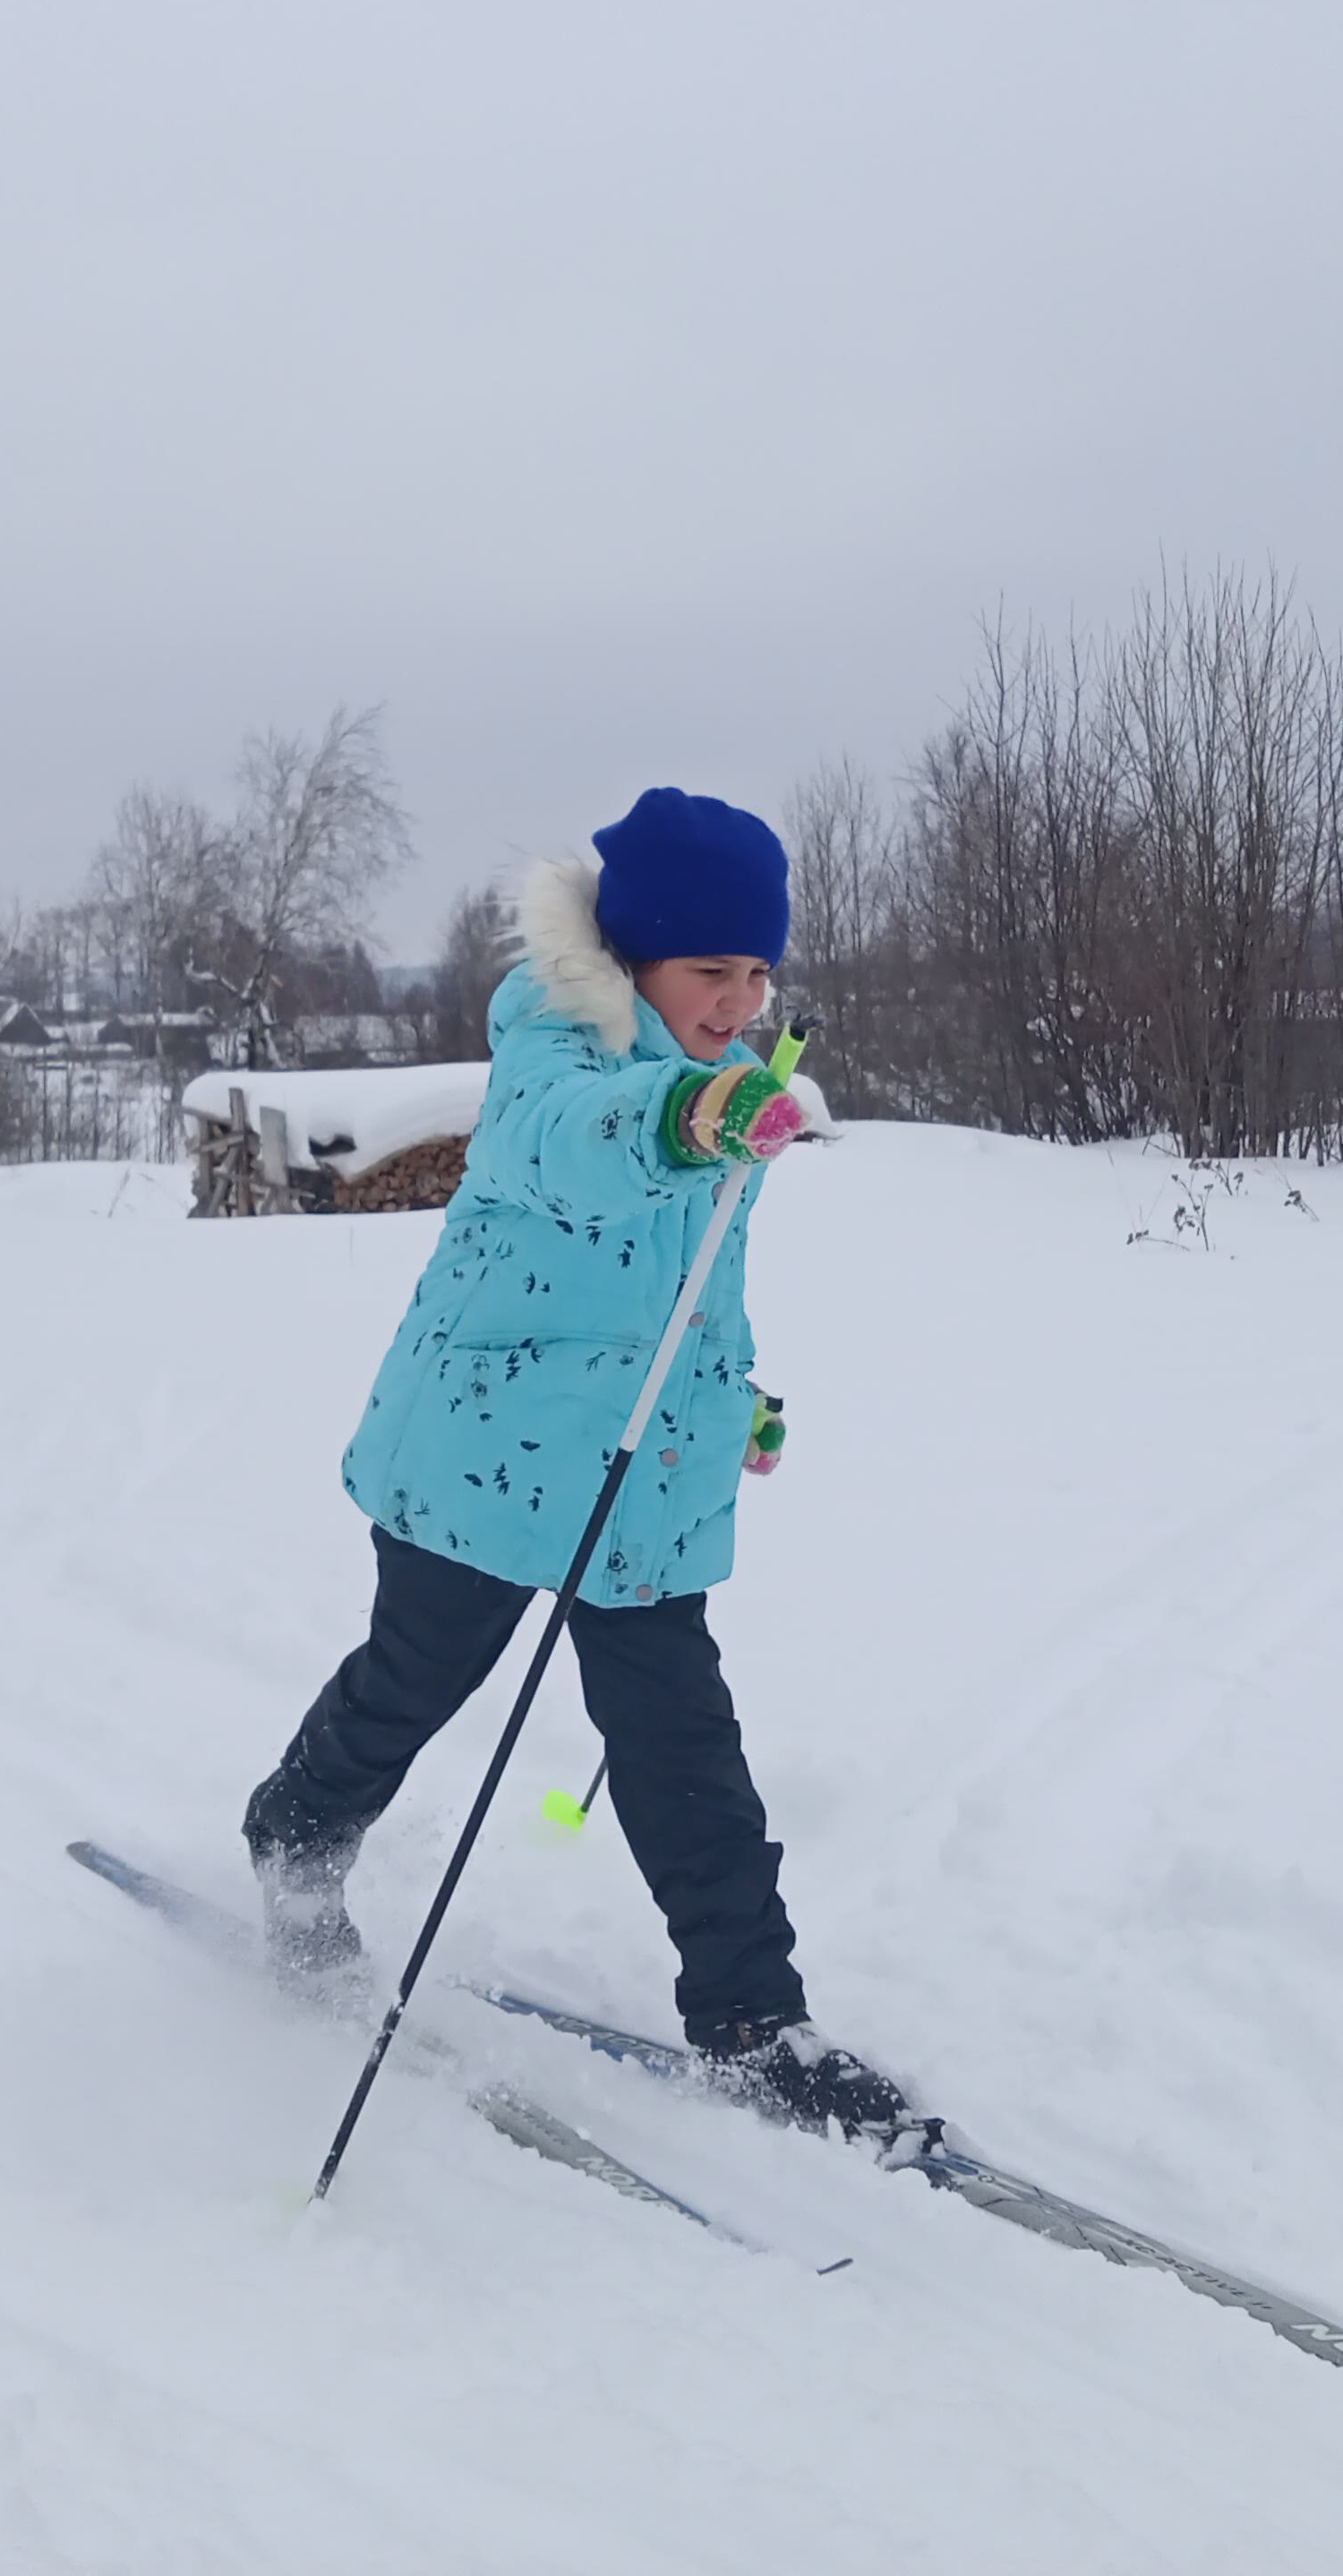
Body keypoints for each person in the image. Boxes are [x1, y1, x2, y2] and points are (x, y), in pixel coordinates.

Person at [239, 786, 929, 2152]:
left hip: (640, 1477)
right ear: (634, 961)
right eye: (708, 971)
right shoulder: (557, 1057)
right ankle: (295, 1840)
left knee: (684, 1748)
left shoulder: (729, 1095)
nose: (738, 1000)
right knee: (414, 1682)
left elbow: (692, 1287)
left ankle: (753, 2023)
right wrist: (692, 1118)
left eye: (756, 971)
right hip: (482, 1458)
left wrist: (736, 1404)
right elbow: (573, 1146)